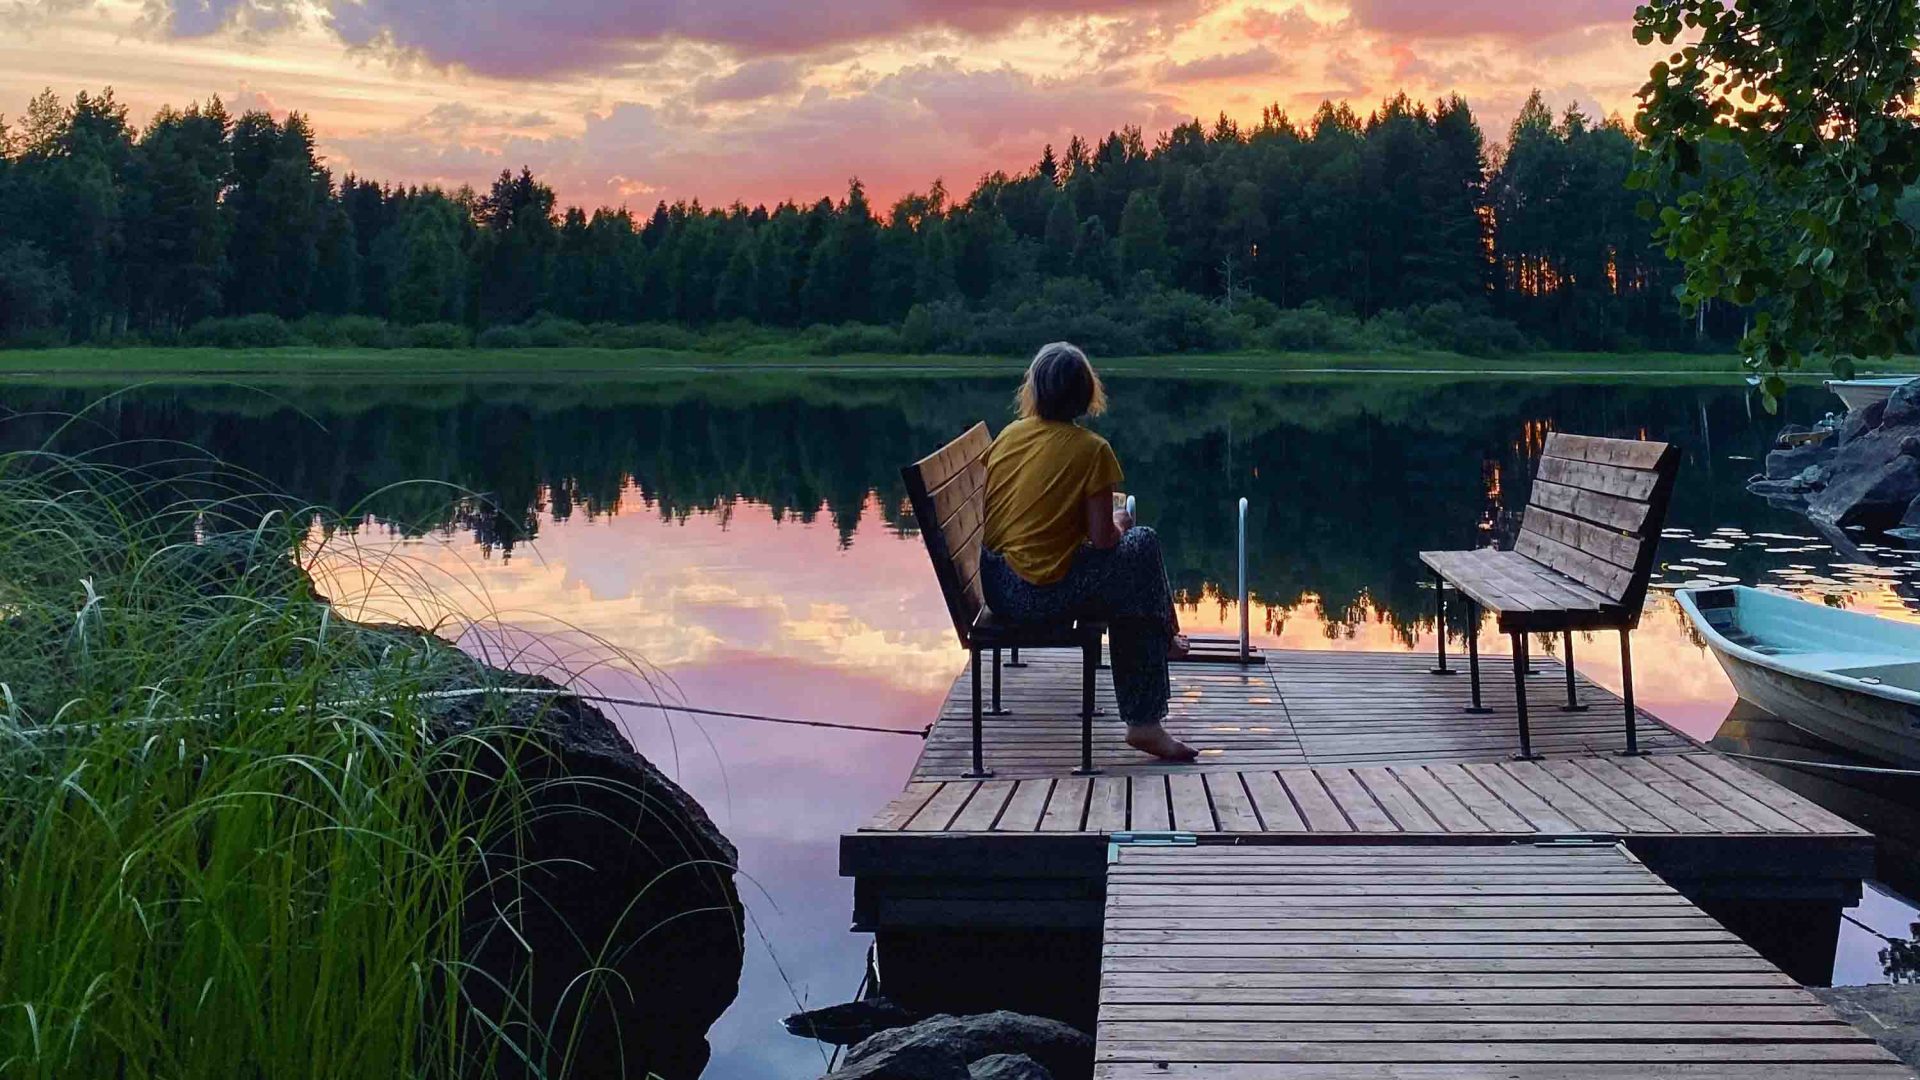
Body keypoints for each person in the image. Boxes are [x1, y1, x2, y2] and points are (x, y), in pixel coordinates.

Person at [980, 341, 1197, 762]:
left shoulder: (1009, 435)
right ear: (1085, 392)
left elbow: (1032, 510)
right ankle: (1145, 719)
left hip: (997, 583)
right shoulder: (1091, 449)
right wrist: (1120, 520)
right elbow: (1104, 541)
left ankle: (1164, 638)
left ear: (1036, 390)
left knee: (1133, 566)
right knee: (1141, 546)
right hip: (1036, 594)